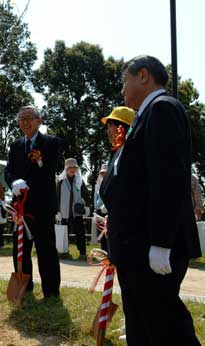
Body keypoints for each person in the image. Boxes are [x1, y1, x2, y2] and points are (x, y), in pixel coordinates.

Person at [100, 55, 201, 345]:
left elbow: (167, 179)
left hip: (149, 246)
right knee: (142, 325)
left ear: (143, 76)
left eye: (124, 81)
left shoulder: (162, 109)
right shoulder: (146, 115)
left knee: (166, 326)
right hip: (135, 245)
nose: (122, 90)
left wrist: (161, 242)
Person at [5, 105, 64, 298]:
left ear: (39, 121)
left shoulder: (51, 143)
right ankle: (24, 287)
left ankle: (51, 290)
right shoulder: (15, 146)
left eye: (29, 118)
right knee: (20, 248)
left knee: (46, 248)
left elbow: (48, 171)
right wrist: (13, 181)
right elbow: (8, 170)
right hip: (20, 207)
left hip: (43, 205)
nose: (25, 122)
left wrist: (27, 183)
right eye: (21, 118)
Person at [96, 105, 136, 251]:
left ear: (121, 127)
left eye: (110, 126)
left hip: (128, 229)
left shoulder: (130, 153)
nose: (108, 131)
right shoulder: (117, 152)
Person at [56, 158, 90, 259]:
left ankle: (82, 253)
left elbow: (86, 194)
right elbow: (56, 197)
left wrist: (87, 206)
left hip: (77, 212)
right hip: (64, 212)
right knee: (63, 233)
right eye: (70, 167)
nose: (72, 169)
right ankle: (63, 252)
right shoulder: (60, 181)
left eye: (74, 167)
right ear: (66, 168)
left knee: (80, 233)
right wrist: (57, 211)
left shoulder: (80, 180)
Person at [93, 164, 108, 250]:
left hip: (107, 211)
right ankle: (103, 251)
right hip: (99, 212)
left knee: (107, 232)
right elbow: (95, 199)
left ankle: (108, 253)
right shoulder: (97, 185)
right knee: (100, 233)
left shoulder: (111, 183)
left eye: (105, 173)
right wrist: (95, 209)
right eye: (102, 173)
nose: (103, 175)